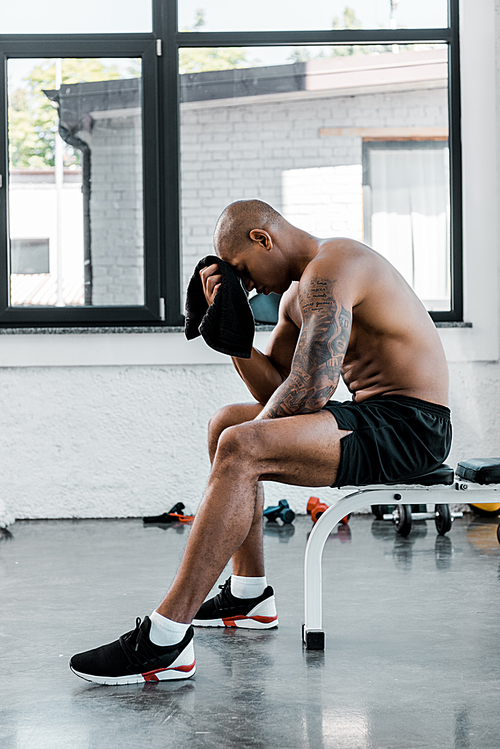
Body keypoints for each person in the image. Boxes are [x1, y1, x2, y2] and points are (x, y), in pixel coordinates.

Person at [70, 199, 451, 685]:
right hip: (368, 416)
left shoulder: (334, 269)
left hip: (413, 427)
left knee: (242, 444)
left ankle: (164, 640)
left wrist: (253, 439)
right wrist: (230, 335)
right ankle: (249, 594)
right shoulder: (296, 298)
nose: (247, 286)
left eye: (243, 271)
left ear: (263, 239)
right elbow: (278, 388)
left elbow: (312, 390)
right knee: (226, 424)